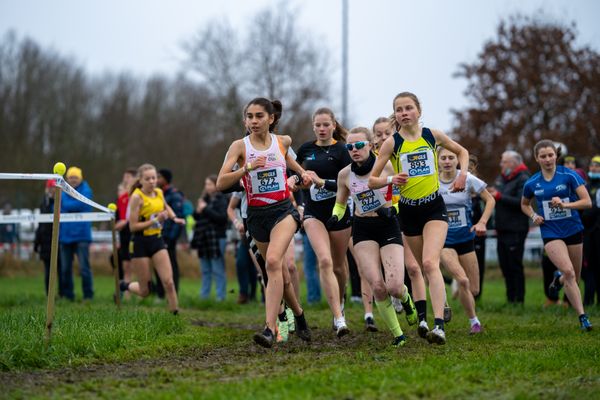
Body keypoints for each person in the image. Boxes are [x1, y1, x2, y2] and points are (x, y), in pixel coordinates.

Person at [369, 91, 469, 345]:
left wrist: (462, 175)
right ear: (396, 115)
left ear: (418, 111)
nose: (404, 113)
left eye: (408, 108)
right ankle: (427, 314)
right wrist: (392, 179)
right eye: (399, 109)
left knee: (429, 263)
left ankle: (439, 326)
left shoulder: (431, 135)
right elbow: (372, 180)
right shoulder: (392, 143)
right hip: (408, 211)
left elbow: (462, 152)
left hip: (433, 207)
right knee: (418, 268)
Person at [216, 97, 311, 347]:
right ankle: (299, 315)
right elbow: (221, 183)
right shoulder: (239, 147)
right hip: (256, 215)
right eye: (249, 116)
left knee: (272, 263)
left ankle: (269, 329)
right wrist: (246, 168)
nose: (254, 121)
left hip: (283, 210)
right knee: (279, 273)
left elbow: (288, 160)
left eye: (259, 116)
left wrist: (301, 173)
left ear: (271, 118)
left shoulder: (283, 141)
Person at [331, 126, 417, 346]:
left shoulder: (387, 165)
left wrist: (393, 209)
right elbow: (340, 205)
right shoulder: (344, 174)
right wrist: (335, 217)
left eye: (359, 145)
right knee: (377, 286)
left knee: (395, 286)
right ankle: (398, 335)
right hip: (362, 228)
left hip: (388, 225)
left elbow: (399, 193)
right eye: (350, 147)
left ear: (370, 145)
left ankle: (406, 300)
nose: (355, 150)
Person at [521, 140, 593, 331]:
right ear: (537, 158)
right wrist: (534, 215)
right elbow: (524, 204)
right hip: (550, 231)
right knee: (568, 271)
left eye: (550, 155)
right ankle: (583, 317)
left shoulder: (569, 175)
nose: (547, 159)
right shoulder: (532, 182)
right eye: (543, 156)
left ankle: (557, 280)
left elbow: (587, 202)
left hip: (573, 228)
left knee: (574, 279)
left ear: (556, 156)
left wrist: (565, 205)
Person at [296, 107, 352, 337]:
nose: (321, 129)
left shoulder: (342, 150)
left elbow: (349, 184)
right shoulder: (305, 150)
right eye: (317, 125)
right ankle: (338, 318)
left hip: (338, 212)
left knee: (339, 266)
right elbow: (297, 178)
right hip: (313, 213)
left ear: (333, 125)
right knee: (325, 261)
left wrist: (321, 182)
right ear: (313, 126)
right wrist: (300, 185)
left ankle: (341, 302)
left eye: (325, 125)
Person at [438, 147, 495, 334]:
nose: (447, 161)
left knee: (474, 289)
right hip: (444, 240)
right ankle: (474, 322)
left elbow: (490, 200)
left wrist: (482, 222)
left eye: (451, 158)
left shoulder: (467, 179)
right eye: (443, 158)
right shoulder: (432, 182)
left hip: (466, 239)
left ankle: (459, 296)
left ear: (458, 160)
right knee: (462, 280)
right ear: (437, 161)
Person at [120, 163, 185, 314]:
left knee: (168, 282)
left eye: (154, 178)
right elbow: (133, 227)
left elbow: (165, 206)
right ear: (141, 180)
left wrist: (175, 218)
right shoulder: (137, 197)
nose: (152, 181)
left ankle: (175, 314)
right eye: (148, 178)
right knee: (145, 291)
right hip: (140, 242)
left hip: (157, 240)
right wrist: (155, 221)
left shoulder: (158, 192)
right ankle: (125, 285)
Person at [488, 151, 530, 304]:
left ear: (513, 163)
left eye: (504, 161)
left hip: (516, 229)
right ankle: (510, 298)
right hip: (502, 229)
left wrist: (499, 196)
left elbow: (522, 202)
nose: (501, 164)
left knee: (514, 265)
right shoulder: (502, 178)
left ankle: (519, 300)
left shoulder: (523, 179)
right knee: (505, 265)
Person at [59, 166, 94, 301]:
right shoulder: (62, 190)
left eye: (75, 177)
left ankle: (88, 295)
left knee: (84, 268)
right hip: (65, 235)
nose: (73, 180)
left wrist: (67, 205)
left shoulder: (86, 190)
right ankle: (68, 296)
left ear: (81, 178)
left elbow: (77, 205)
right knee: (65, 269)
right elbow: (60, 205)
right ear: (67, 179)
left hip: (82, 235)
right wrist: (68, 204)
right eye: (70, 177)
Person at [192, 175, 229, 301]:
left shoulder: (222, 199)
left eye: (210, 184)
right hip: (204, 238)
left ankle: (220, 297)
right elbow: (197, 218)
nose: (207, 187)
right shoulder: (204, 199)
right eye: (206, 184)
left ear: (216, 185)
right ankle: (204, 296)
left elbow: (222, 219)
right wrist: (198, 210)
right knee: (205, 269)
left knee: (217, 269)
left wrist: (205, 209)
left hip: (217, 238)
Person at [155, 169, 185, 298]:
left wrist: (171, 239)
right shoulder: (157, 194)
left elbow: (178, 218)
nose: (156, 179)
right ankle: (160, 294)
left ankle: (173, 294)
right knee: (158, 266)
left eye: (159, 177)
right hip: (158, 235)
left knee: (171, 266)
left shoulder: (174, 195)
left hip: (168, 239)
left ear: (166, 179)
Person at [227, 191, 258, 304]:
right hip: (245, 233)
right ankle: (243, 294)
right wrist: (237, 223)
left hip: (261, 229)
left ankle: (259, 296)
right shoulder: (239, 186)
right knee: (241, 263)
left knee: (257, 266)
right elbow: (230, 208)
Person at [34, 180, 63, 296]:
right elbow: (40, 225)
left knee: (61, 270)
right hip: (46, 242)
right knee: (48, 271)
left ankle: (62, 294)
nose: (52, 190)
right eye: (50, 187)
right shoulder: (43, 203)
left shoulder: (61, 202)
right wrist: (36, 243)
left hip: (60, 240)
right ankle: (49, 294)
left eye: (54, 188)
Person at [467, 154, 487, 300]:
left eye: (470, 168)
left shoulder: (479, 185)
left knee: (478, 262)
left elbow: (489, 203)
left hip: (478, 230)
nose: (467, 170)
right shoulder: (456, 182)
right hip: (461, 229)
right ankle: (461, 286)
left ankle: (476, 294)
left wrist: (483, 222)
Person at [115, 168, 137, 292]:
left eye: (128, 177)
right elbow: (120, 218)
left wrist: (126, 221)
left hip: (135, 233)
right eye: (125, 177)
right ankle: (126, 292)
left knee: (135, 264)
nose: (125, 179)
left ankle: (142, 290)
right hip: (124, 235)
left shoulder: (138, 195)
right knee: (125, 265)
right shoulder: (121, 197)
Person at [582, 155, 600, 305]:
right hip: (588, 233)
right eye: (592, 166)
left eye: (597, 166)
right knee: (589, 269)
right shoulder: (585, 187)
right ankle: (587, 302)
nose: (593, 168)